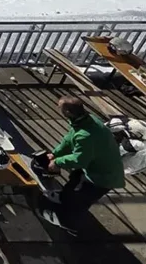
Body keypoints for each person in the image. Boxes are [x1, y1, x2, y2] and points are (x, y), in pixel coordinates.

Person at [35, 97, 125, 232]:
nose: (58, 108)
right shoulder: (86, 120)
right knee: (74, 183)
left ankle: (69, 224)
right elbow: (69, 138)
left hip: (102, 177)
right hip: (93, 165)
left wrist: (58, 162)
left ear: (68, 112)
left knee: (79, 201)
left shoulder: (85, 135)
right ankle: (64, 198)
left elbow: (79, 160)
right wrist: (55, 153)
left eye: (60, 107)